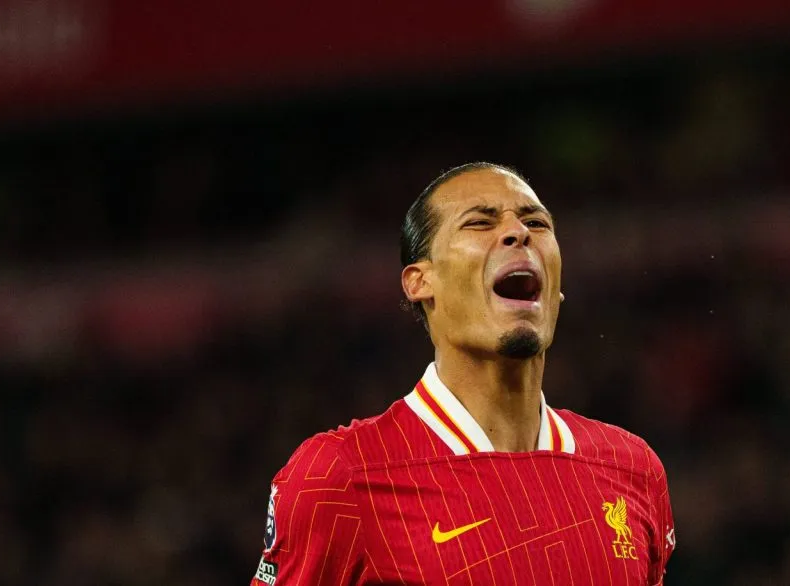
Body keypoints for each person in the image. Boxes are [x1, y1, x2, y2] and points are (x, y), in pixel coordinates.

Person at [249, 162, 675, 585]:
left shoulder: (633, 469)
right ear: (419, 281)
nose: (518, 232)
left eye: (536, 222)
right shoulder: (339, 475)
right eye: (479, 223)